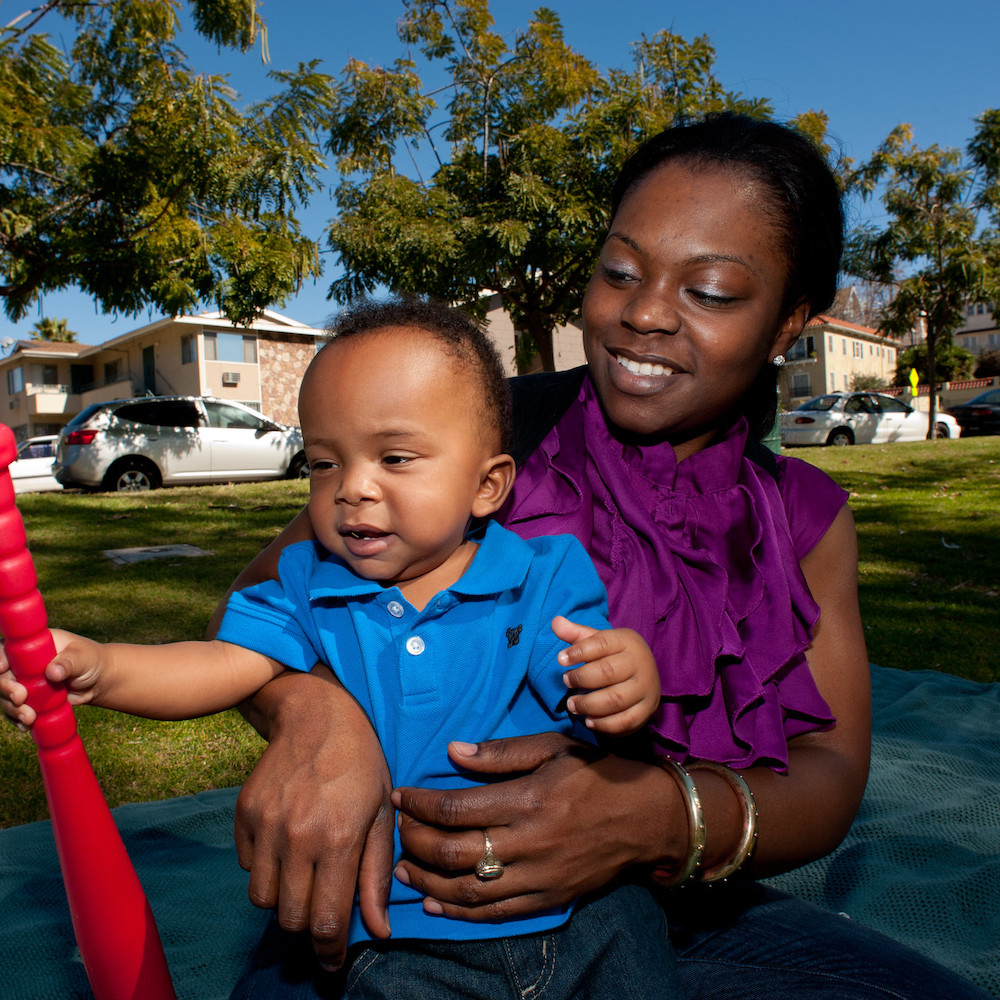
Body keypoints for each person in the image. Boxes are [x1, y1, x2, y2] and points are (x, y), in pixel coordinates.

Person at [188, 112, 992, 1000]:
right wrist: (317, 721)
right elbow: (263, 595)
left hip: (663, 919)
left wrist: (648, 817)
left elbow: (831, 778)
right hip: (402, 903)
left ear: (786, 325)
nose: (644, 313)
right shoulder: (482, 438)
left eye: (712, 291)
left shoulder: (804, 519)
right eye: (620, 271)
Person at [3, 300, 675, 999]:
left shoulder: (543, 577)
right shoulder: (305, 588)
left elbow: (585, 687)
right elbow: (216, 667)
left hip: (582, 916)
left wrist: (621, 679)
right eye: (325, 463)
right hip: (398, 933)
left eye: (395, 457)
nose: (353, 488)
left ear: (486, 485)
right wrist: (101, 666)